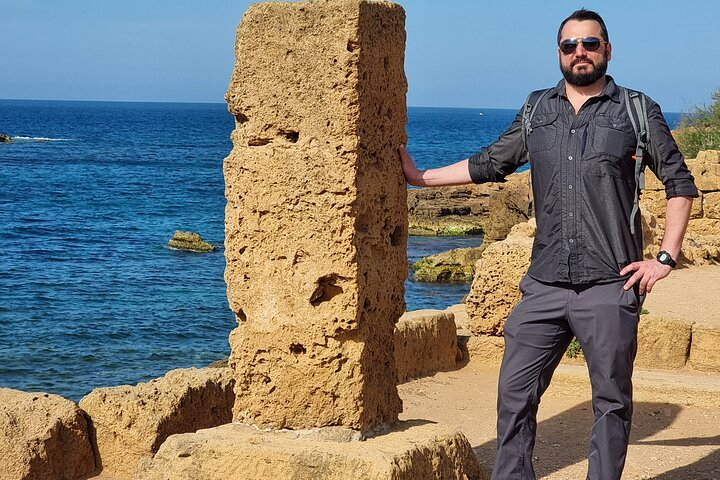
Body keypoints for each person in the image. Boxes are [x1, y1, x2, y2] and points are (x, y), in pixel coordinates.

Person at [399, 9, 698, 480]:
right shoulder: (538, 109)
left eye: (590, 43)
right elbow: (492, 162)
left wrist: (663, 259)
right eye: (569, 45)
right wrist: (421, 178)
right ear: (558, 53)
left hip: (610, 285)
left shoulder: (637, 110)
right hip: (543, 286)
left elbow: (680, 185)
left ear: (607, 50)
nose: (580, 52)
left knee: (612, 403)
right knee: (514, 396)